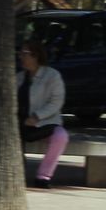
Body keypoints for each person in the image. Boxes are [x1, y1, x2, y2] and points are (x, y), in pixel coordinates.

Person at [18, 40, 69, 188]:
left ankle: (43, 176)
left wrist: (37, 116)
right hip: (21, 123)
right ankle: (17, 172)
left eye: (24, 54)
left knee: (61, 136)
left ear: (36, 56)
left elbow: (56, 102)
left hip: (45, 122)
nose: (21, 57)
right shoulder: (19, 78)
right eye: (20, 53)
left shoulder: (52, 76)